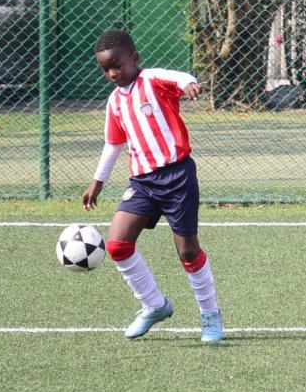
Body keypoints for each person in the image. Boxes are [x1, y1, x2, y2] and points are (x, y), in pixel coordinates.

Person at [81, 29, 223, 342]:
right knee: (117, 244)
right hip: (142, 182)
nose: (112, 73)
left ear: (135, 59)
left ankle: (210, 314)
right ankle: (154, 305)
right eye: (105, 69)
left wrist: (188, 84)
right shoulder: (115, 102)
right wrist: (97, 182)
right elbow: (113, 143)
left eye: (117, 64)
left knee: (187, 252)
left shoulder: (153, 80)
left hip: (177, 178)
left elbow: (179, 77)